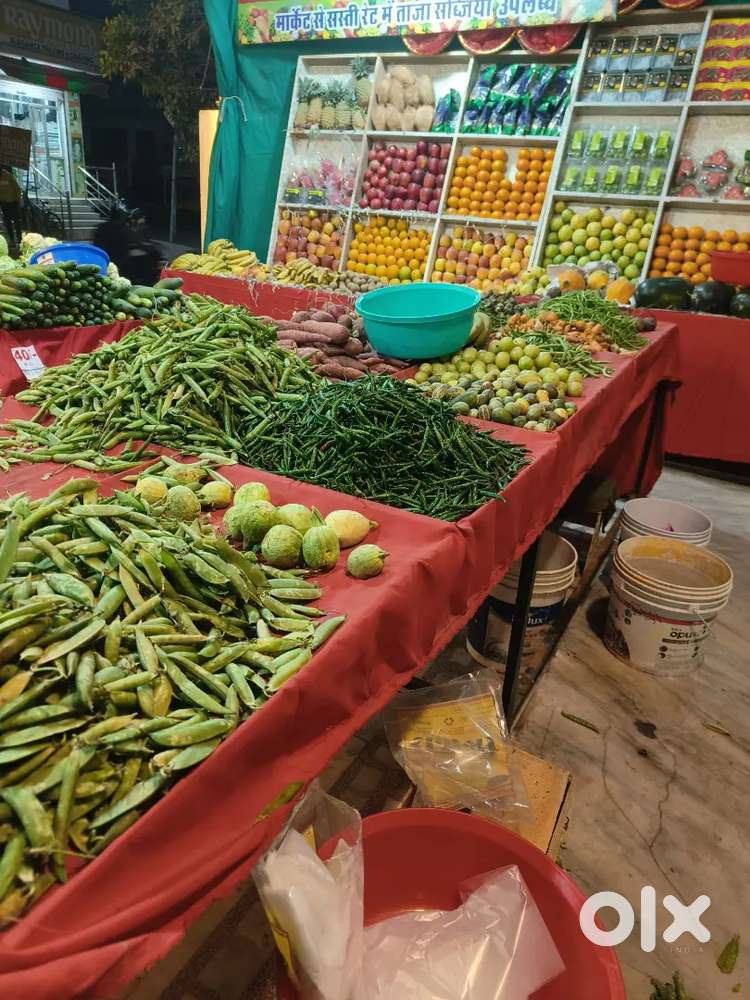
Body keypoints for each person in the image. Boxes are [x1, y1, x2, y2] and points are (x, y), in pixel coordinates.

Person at [0, 166, 22, 246]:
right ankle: (12, 240)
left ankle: (19, 240)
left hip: (13, 202)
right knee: (7, 223)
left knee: (17, 223)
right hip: (4, 203)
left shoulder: (9, 176)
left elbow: (17, 189)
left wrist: (19, 201)